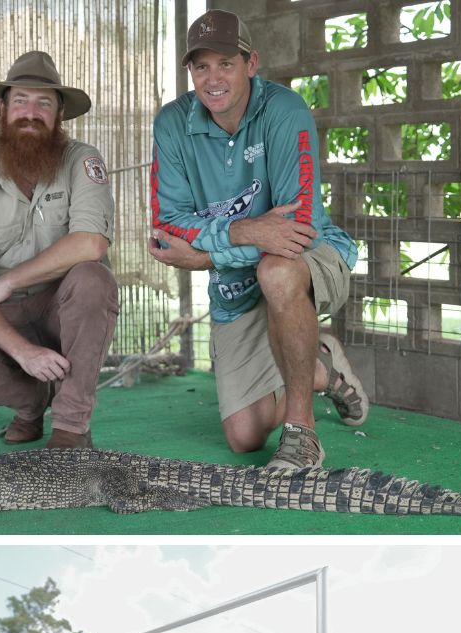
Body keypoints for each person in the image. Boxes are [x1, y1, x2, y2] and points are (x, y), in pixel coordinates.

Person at [149, 9, 367, 470]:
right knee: (244, 436)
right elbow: (167, 227)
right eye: (201, 66)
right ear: (190, 70)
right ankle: (321, 370)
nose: (213, 79)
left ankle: (302, 436)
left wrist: (205, 256)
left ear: (251, 64)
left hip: (309, 256)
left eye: (226, 63)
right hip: (234, 284)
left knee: (277, 269)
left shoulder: (284, 110)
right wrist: (243, 230)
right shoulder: (171, 124)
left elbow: (297, 229)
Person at [0, 52, 118, 450]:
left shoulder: (83, 160)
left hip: (63, 305)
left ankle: (70, 428)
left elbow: (90, 243)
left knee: (93, 278)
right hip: (5, 314)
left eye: (44, 102)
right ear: (3, 108)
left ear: (60, 112)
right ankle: (33, 402)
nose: (31, 113)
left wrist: (5, 282)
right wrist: (24, 352)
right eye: (21, 101)